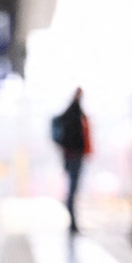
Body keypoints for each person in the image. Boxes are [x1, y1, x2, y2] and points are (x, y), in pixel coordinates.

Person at [51, 89, 92, 234]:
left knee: (73, 190)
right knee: (73, 190)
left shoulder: (72, 113)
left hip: (71, 157)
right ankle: (72, 222)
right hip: (74, 157)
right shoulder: (74, 114)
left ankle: (73, 221)